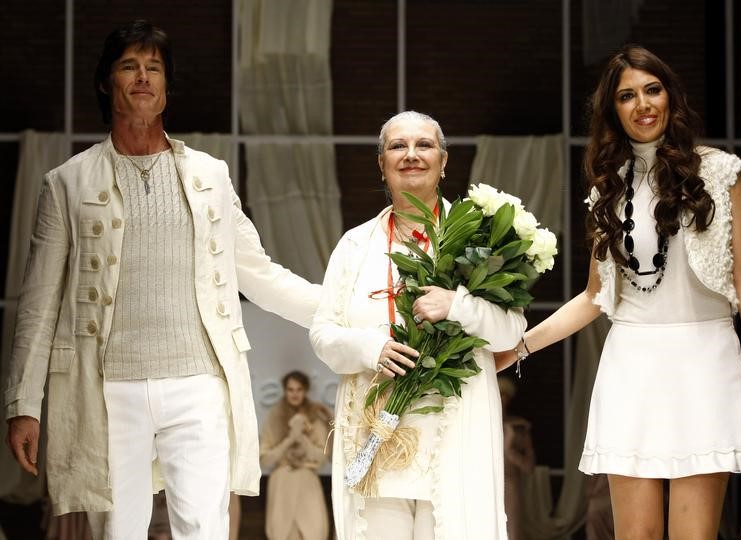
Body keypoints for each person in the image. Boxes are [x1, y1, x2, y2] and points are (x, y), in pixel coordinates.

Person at [3, 20, 320, 539]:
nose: (143, 77)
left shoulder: (209, 175)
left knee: (203, 527)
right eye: (130, 66)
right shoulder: (66, 182)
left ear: (167, 86)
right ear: (109, 83)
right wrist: (22, 405)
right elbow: (38, 303)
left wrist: (345, 307)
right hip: (108, 386)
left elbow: (259, 275)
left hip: (198, 379)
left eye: (154, 67)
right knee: (118, 530)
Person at [496, 45, 741, 538]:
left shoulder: (721, 172)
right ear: (613, 109)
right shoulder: (609, 186)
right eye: (628, 95)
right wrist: (518, 347)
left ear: (670, 96)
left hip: (706, 361)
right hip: (631, 364)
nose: (643, 104)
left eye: (652, 89)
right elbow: (593, 297)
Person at [310, 110, 526, 539]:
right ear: (382, 164)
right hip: (376, 435)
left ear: (444, 162)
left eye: (424, 145)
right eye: (397, 146)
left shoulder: (481, 239)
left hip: (453, 438)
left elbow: (511, 331)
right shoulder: (354, 245)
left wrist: (458, 304)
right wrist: (372, 348)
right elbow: (322, 335)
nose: (411, 155)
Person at [259, 370, 331, 540]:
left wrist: (302, 437)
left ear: (305, 390)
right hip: (281, 480)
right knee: (282, 532)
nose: (294, 394)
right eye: (290, 389)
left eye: (299, 389)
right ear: (285, 390)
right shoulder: (275, 416)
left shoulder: (315, 416)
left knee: (314, 530)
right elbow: (264, 460)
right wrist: (290, 438)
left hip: (307, 479)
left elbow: (322, 458)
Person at [497, 376, 534, 540]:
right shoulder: (481, 426)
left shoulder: (519, 427)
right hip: (487, 485)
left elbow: (529, 467)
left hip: (511, 486)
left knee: (512, 532)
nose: (502, 401)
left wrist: (510, 451)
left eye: (505, 397)